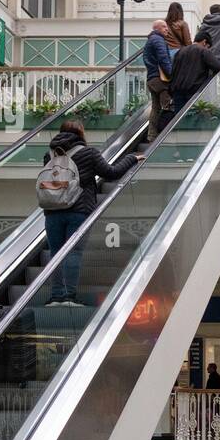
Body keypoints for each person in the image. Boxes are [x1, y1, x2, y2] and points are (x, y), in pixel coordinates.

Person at [42, 119, 144, 306]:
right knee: (74, 252)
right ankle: (69, 297)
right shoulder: (88, 153)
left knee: (55, 252)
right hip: (79, 210)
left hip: (52, 210)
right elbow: (111, 173)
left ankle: (56, 296)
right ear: (81, 134)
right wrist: (132, 158)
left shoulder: (50, 155)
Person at [167, 30, 220, 112]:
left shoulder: (180, 51)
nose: (207, 48)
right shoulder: (203, 51)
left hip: (177, 91)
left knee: (178, 119)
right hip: (194, 91)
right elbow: (218, 66)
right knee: (192, 118)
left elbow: (173, 71)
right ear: (204, 42)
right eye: (208, 46)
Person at [143, 19, 173, 141]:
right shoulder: (158, 40)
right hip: (160, 80)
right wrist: (172, 74)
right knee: (169, 107)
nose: (167, 29)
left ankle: (151, 136)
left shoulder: (151, 40)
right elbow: (163, 58)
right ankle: (165, 137)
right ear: (157, 29)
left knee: (156, 108)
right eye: (164, 27)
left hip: (152, 79)